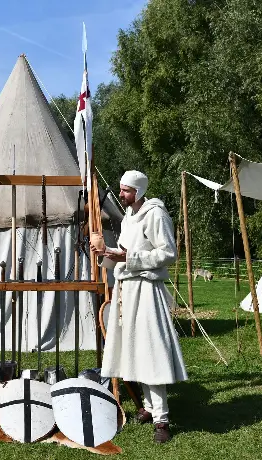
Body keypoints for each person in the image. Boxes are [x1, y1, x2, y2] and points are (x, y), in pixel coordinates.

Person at [90, 170, 187, 444]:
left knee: (151, 351)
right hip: (127, 290)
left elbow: (168, 253)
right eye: (121, 190)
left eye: (127, 191)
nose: (121, 195)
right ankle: (149, 405)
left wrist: (127, 256)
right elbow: (122, 251)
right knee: (134, 349)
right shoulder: (130, 216)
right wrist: (106, 254)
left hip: (146, 289)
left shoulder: (155, 213)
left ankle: (162, 419)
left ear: (140, 191)